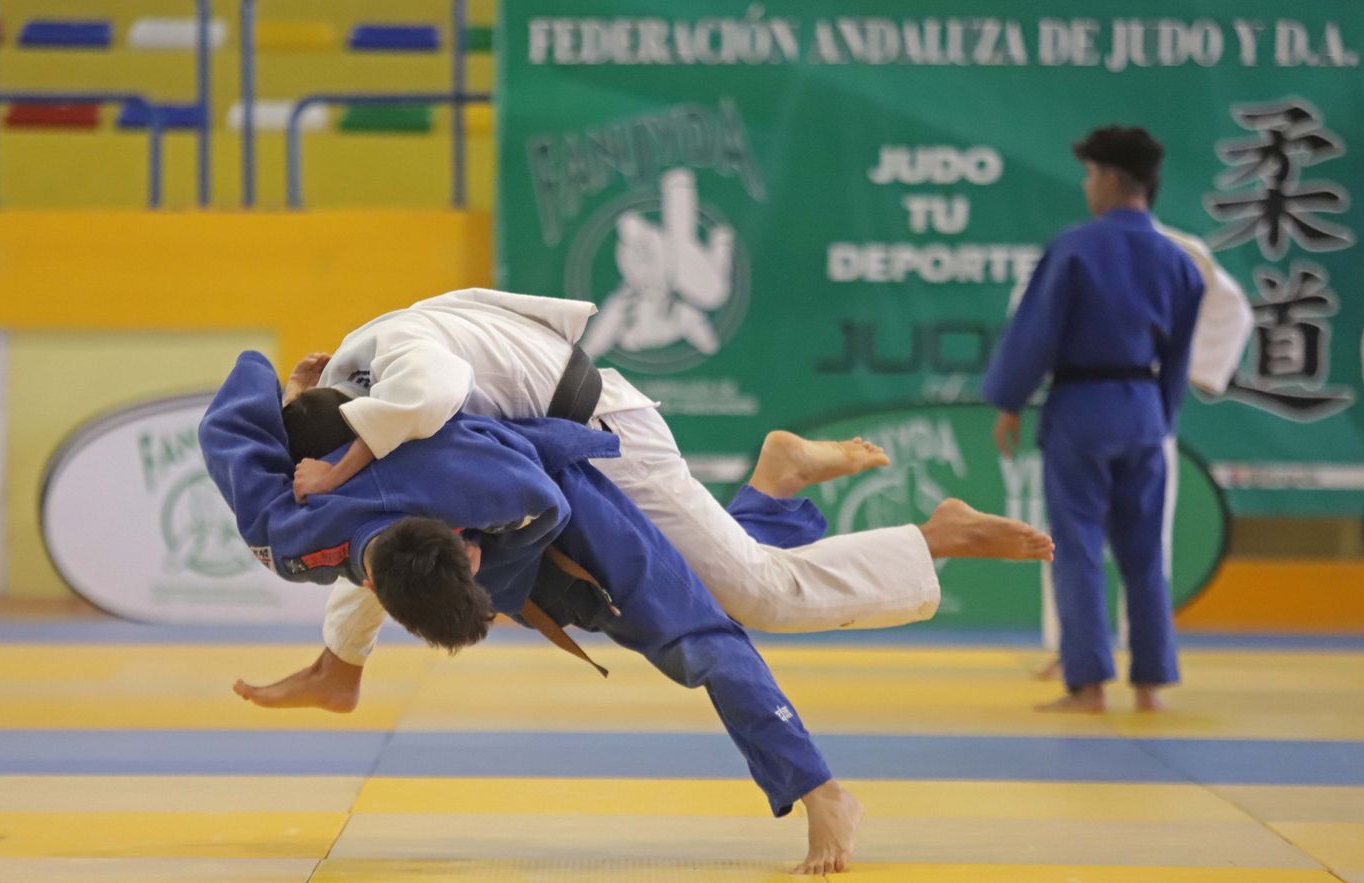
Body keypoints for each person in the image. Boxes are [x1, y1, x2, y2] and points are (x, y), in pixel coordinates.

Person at [199, 350, 866, 874]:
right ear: (373, 586)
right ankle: (773, 493)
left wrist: (294, 393)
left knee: (699, 640)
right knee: (702, 587)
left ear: (460, 536)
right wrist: (290, 401)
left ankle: (823, 792)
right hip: (499, 538)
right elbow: (232, 407)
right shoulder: (289, 534)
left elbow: (547, 498)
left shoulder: (468, 477)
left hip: (569, 505)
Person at [251, 288, 1053, 711]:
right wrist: (299, 394)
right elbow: (376, 509)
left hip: (604, 436)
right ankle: (776, 482)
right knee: (398, 544)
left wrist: (337, 471)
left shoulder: (400, 364)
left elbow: (426, 400)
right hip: (567, 433)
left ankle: (934, 535)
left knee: (758, 597)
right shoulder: (353, 373)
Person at [983, 125, 1205, 713]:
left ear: (1109, 179)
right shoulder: (1178, 261)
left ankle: (1087, 685)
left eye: (1088, 175)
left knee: (1078, 545)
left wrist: (1010, 400)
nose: (1086, 186)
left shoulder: (1076, 248)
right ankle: (1152, 683)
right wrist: (1162, 415)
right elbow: (1180, 356)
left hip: (1082, 407)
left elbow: (1036, 334)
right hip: (1144, 408)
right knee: (1145, 552)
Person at [1029, 212, 1253, 682]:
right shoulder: (1078, 248)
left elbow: (1231, 309)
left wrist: (1195, 368)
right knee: (1076, 539)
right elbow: (1034, 315)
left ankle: (1133, 654)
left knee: (1130, 541)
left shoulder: (1175, 249)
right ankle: (1078, 652)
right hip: (1109, 400)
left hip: (1129, 397)